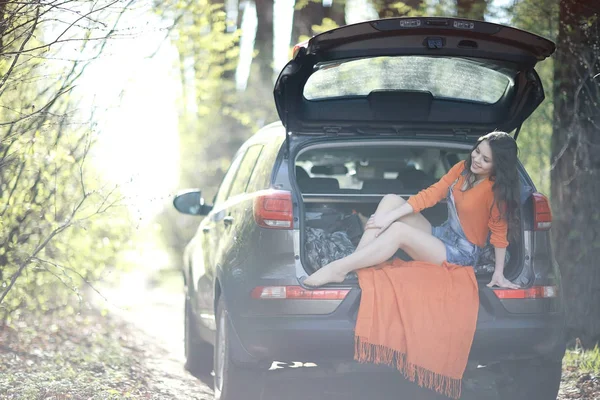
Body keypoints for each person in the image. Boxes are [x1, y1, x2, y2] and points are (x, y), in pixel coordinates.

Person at [303, 131, 521, 289]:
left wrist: (499, 274)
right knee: (391, 200)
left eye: (485, 159)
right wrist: (388, 216)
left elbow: (500, 234)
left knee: (399, 231)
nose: (476, 159)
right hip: (442, 236)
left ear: (498, 166)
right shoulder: (462, 171)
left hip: (461, 254)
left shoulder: (496, 192)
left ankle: (340, 269)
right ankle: (356, 264)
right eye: (477, 151)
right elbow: (431, 194)